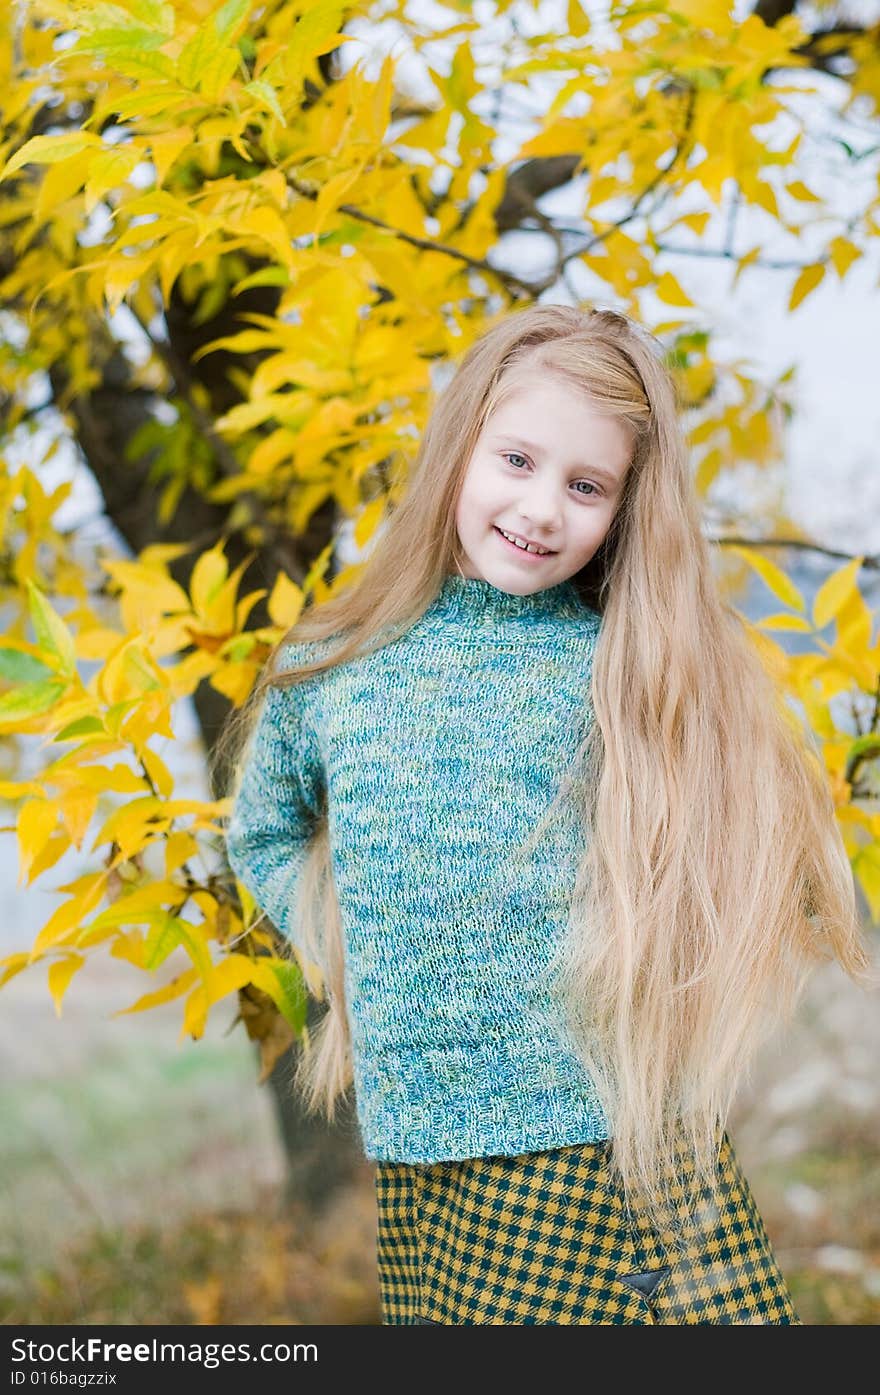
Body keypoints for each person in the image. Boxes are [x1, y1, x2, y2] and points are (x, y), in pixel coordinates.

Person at [218, 303, 874, 1325]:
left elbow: (737, 838)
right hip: (418, 1140)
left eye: (586, 486)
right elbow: (262, 827)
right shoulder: (331, 664)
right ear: (456, 451)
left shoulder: (618, 668)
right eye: (516, 460)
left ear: (622, 508)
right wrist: (337, 928)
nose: (540, 509)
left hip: (592, 1137)